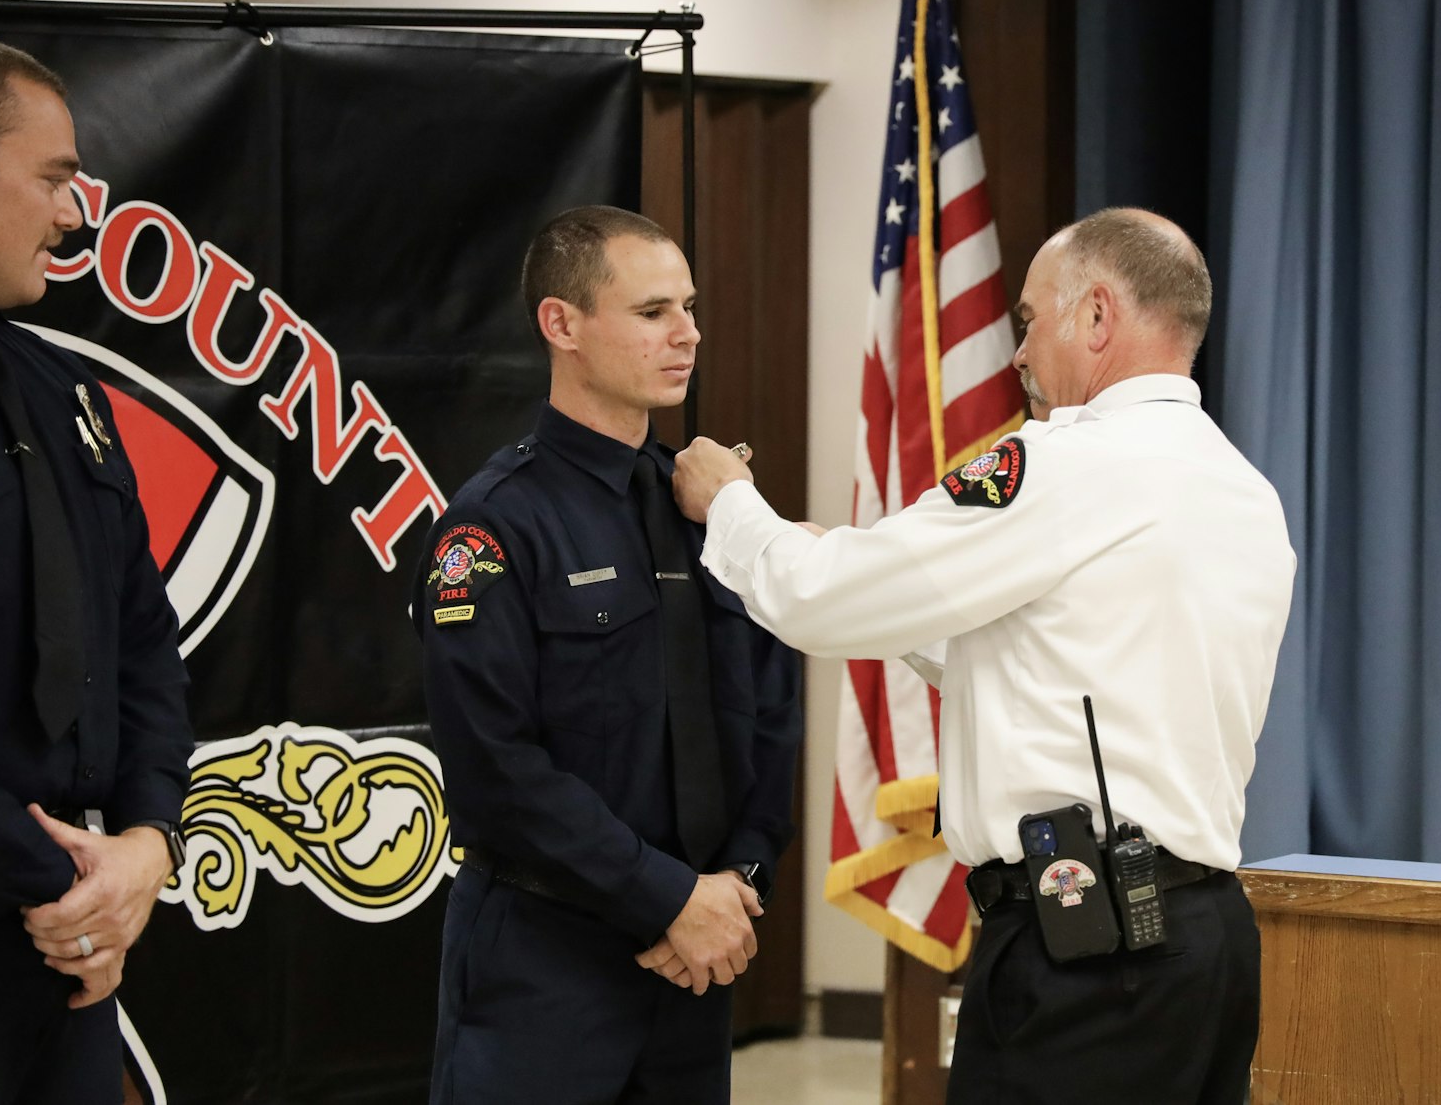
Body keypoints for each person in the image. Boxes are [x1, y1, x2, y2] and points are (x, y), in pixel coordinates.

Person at [675, 207, 1296, 1104]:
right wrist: (850, 570)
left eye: (1029, 319)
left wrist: (734, 505)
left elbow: (820, 599)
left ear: (1095, 317)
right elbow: (1054, 652)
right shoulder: (1245, 489)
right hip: (1204, 942)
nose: (1017, 352)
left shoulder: (1064, 464)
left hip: (1085, 947)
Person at [415, 206, 801, 1104]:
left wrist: (738, 884)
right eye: (654, 310)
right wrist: (665, 896)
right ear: (563, 324)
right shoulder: (495, 523)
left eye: (692, 307)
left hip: (699, 960)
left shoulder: (706, 509)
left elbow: (772, 710)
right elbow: (494, 768)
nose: (688, 332)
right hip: (547, 960)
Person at [0, 34, 194, 1102]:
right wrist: (68, 886)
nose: (70, 214)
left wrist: (147, 841)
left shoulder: (67, 393)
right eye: (52, 179)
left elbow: (142, 636)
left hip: (66, 946)